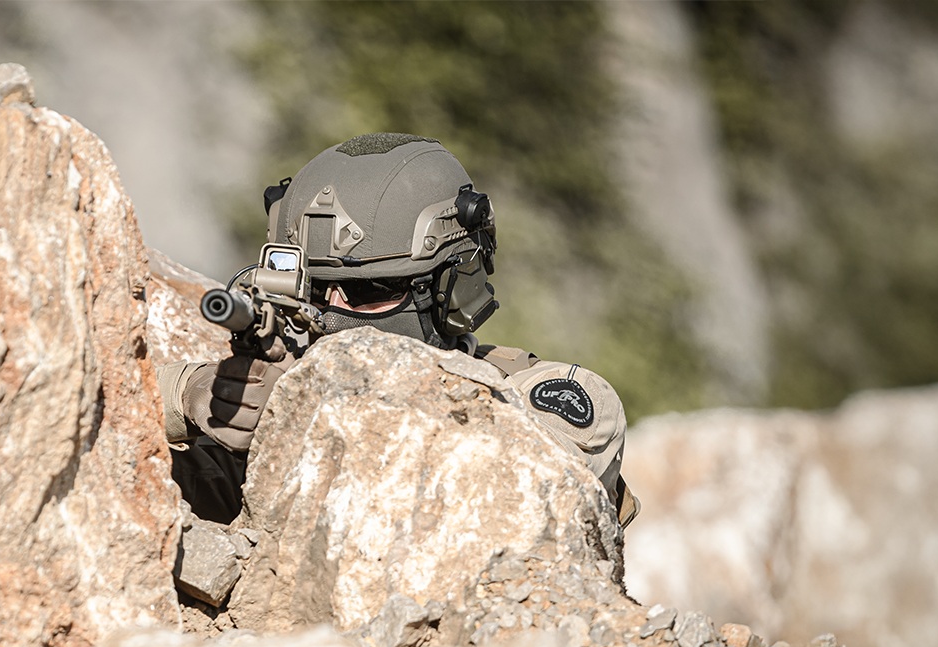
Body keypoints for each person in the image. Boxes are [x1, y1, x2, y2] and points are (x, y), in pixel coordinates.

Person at [159, 132, 639, 528]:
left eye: (369, 289)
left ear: (453, 286)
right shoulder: (292, 404)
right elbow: (122, 478)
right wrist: (189, 395)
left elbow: (505, 494)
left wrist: (319, 417)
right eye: (315, 291)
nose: (332, 313)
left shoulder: (557, 401)